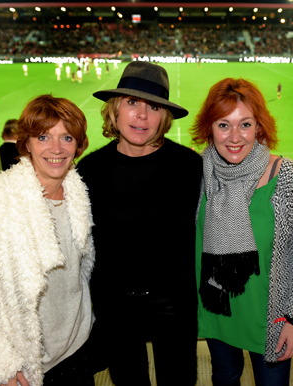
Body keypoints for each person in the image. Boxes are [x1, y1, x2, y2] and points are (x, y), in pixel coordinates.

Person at [0, 95, 97, 386]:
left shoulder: (78, 193)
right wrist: (0, 368)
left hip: (78, 348)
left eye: (67, 137)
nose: (56, 148)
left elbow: (79, 275)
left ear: (79, 145)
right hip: (28, 366)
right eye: (43, 137)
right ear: (26, 144)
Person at [76, 61, 202, 386]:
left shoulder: (190, 167)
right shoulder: (89, 171)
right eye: (132, 103)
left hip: (175, 302)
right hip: (115, 304)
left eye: (154, 106)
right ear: (115, 110)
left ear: (164, 117)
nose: (142, 115)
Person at [191, 78, 293, 386]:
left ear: (259, 127)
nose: (235, 137)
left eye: (245, 124)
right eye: (224, 125)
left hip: (269, 317)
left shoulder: (285, 175)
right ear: (210, 128)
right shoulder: (200, 174)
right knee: (224, 377)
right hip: (217, 308)